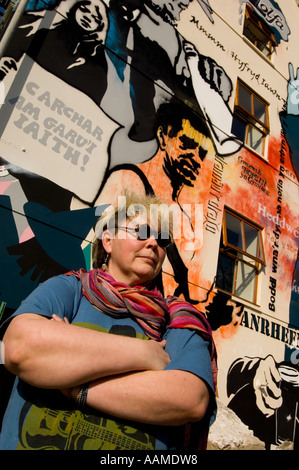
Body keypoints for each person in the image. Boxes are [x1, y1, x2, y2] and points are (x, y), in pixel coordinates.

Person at [0, 192, 217, 450]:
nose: (153, 244)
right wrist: (142, 354)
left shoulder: (177, 319)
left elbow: (190, 399)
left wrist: (73, 385)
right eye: (142, 231)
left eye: (162, 239)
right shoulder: (71, 289)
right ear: (108, 241)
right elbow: (18, 348)